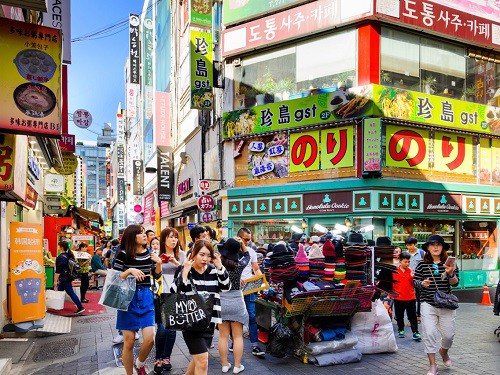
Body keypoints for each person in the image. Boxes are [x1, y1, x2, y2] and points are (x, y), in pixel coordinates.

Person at [170, 240, 230, 375]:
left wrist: (220, 266)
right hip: (191, 321)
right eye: (201, 254)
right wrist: (184, 272)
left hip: (208, 322)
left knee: (198, 359)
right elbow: (174, 291)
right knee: (203, 360)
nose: (205, 259)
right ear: (193, 254)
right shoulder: (185, 269)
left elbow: (226, 287)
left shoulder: (214, 270)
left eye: (208, 255)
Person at [113, 224, 162, 375]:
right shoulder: (122, 254)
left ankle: (139, 362)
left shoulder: (150, 253)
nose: (144, 236)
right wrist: (129, 270)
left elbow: (157, 276)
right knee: (128, 342)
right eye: (141, 233)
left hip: (146, 296)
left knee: (150, 339)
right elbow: (114, 278)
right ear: (132, 236)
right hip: (127, 297)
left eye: (144, 233)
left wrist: (159, 263)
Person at [414, 234, 459, 375]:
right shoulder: (421, 264)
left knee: (448, 336)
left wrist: (451, 274)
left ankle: (443, 351)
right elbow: (415, 282)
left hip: (446, 305)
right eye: (432, 245)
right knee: (430, 333)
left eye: (438, 245)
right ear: (427, 248)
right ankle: (433, 365)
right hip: (428, 304)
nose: (435, 247)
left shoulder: (449, 263)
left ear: (442, 247)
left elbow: (456, 283)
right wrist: (421, 283)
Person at [153, 228, 185, 375]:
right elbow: (154, 274)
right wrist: (160, 262)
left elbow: (187, 274)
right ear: (164, 239)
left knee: (172, 328)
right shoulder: (156, 255)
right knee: (162, 328)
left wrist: (177, 263)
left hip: (176, 294)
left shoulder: (182, 255)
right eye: (170, 237)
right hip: (160, 294)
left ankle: (166, 357)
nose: (173, 240)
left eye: (175, 237)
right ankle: (158, 357)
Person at [218, 238, 250, 374]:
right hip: (237, 300)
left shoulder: (218, 265)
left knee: (223, 336)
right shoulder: (239, 265)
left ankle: (225, 365)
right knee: (237, 337)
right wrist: (242, 245)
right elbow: (247, 255)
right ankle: (237, 366)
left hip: (221, 301)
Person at [237, 227, 265, 357]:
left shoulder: (251, 252)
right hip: (235, 289)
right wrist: (237, 278)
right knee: (236, 317)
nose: (247, 242)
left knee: (252, 316)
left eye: (249, 240)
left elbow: (256, 268)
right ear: (239, 238)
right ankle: (234, 343)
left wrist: (261, 282)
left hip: (249, 287)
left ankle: (255, 345)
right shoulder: (231, 250)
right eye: (245, 239)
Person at [393, 252, 421, 341]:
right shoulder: (394, 272)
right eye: (405, 262)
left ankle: (415, 332)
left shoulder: (412, 272)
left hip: (411, 298)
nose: (407, 264)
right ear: (400, 261)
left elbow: (415, 284)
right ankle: (401, 330)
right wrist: (390, 295)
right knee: (399, 316)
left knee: (412, 316)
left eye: (408, 262)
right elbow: (392, 285)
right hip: (398, 298)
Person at [54, 240, 84, 314]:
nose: (57, 247)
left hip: (64, 278)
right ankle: (56, 305)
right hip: (68, 277)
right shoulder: (68, 255)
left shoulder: (60, 257)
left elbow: (58, 270)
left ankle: (80, 307)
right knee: (59, 291)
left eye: (58, 246)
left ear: (61, 247)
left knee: (71, 292)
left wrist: (55, 281)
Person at [404, 236, 425, 320]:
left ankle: (418, 315)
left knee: (419, 298)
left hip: (419, 278)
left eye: (411, 245)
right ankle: (410, 318)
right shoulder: (405, 254)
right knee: (409, 299)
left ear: (415, 244)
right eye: (407, 245)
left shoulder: (422, 253)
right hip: (408, 279)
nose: (409, 247)